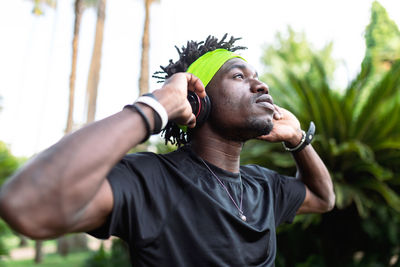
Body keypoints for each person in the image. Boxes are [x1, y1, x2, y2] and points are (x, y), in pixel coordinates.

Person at [0, 34, 335, 266]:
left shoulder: (262, 186)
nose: (261, 85)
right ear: (197, 100)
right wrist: (156, 107)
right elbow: (27, 205)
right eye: (238, 76)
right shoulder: (150, 181)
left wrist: (299, 140)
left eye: (257, 76)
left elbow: (323, 198)